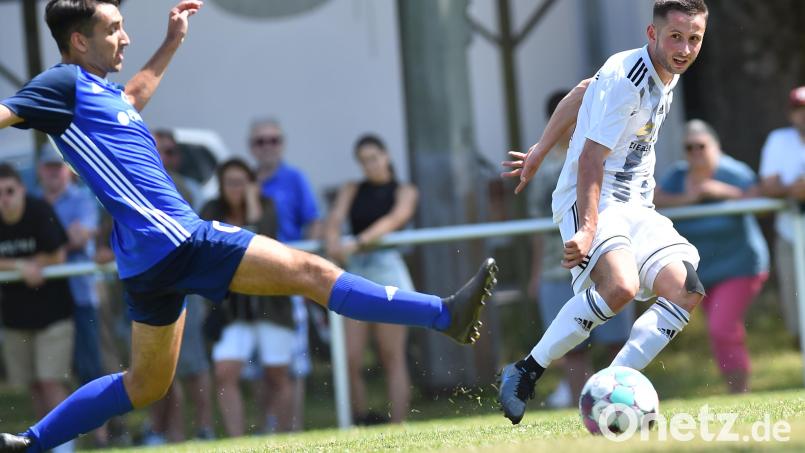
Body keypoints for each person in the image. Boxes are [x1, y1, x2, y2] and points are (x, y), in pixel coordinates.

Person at [0, 2, 496, 451]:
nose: (125, 38)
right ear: (80, 41)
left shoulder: (99, 94)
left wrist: (172, 42)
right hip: (178, 238)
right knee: (313, 273)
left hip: (146, 260)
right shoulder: (61, 84)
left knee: (146, 385)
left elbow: (133, 98)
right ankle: (444, 315)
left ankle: (28, 443)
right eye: (113, 30)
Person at [498, 0, 708, 425]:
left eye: (694, 39)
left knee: (686, 287)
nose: (685, 48)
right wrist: (588, 226)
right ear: (652, 34)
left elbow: (580, 91)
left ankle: (614, 385)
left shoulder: (661, 71)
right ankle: (525, 371)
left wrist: (539, 149)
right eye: (676, 37)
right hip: (591, 197)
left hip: (635, 203)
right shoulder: (629, 81)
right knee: (621, 288)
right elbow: (591, 159)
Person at [527, 92, 634, 407]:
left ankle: (622, 403)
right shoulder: (544, 166)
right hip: (556, 267)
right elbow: (536, 225)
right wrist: (536, 275)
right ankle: (580, 406)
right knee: (571, 347)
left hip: (604, 261)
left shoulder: (604, 154)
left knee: (616, 341)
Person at [654, 119, 769, 393]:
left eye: (701, 146)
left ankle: (739, 391)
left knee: (722, 326)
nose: (695, 152)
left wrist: (722, 193)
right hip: (703, 271)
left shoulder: (733, 172)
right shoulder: (678, 175)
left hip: (740, 265)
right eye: (688, 147)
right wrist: (689, 199)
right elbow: (655, 199)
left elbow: (760, 200)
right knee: (719, 331)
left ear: (715, 147)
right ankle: (735, 390)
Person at [324, 134, 418, 424]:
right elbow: (335, 219)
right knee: (350, 357)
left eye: (374, 158)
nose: (369, 165)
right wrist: (332, 243)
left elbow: (396, 218)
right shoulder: (352, 188)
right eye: (363, 161)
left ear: (386, 155)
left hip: (388, 268)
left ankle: (397, 424)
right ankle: (360, 419)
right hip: (355, 269)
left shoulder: (405, 189)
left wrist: (359, 241)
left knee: (391, 354)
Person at [202, 158, 296, 436]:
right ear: (221, 185)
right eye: (230, 182)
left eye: (241, 182)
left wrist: (253, 203)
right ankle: (237, 440)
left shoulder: (266, 206)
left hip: (271, 303)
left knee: (276, 375)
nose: (235, 189)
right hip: (231, 308)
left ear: (251, 184)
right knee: (224, 372)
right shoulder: (211, 210)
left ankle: (280, 436)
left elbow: (265, 245)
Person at [142, 129, 214, 445]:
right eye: (160, 151)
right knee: (157, 368)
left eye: (171, 152)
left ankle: (204, 430)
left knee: (193, 366)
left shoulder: (189, 189)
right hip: (151, 286)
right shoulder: (135, 186)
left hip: (186, 287)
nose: (165, 158)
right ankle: (168, 434)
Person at [248, 117, 320, 430]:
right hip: (250, 279)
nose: (268, 147)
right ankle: (266, 430)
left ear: (283, 143)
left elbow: (313, 222)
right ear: (252, 146)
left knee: (293, 364)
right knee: (257, 365)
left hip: (289, 280)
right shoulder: (242, 180)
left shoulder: (295, 179)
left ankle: (293, 430)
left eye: (274, 140)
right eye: (261, 141)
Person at [36, 146, 110, 446]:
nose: (54, 171)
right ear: (41, 171)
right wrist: (66, 243)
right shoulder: (34, 202)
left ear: (68, 170)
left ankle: (103, 438)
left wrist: (48, 254)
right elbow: (74, 238)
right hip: (45, 299)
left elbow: (83, 236)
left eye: (58, 166)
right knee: (48, 373)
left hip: (80, 296)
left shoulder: (82, 199)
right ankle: (51, 440)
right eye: (49, 167)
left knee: (90, 368)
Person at [0, 164, 76, 452]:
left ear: (21, 189)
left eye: (9, 191)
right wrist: (20, 265)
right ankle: (41, 443)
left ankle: (64, 447)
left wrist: (37, 265)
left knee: (50, 382)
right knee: (32, 385)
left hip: (53, 314)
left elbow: (58, 255)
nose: (4, 198)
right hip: (16, 318)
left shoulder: (39, 210)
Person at [758, 85, 805, 342]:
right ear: (791, 113)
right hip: (791, 233)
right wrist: (792, 189)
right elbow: (768, 185)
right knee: (797, 308)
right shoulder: (779, 140)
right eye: (799, 109)